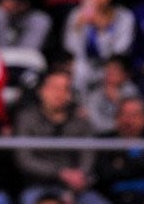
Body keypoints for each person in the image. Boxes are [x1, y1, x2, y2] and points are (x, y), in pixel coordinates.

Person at [14, 70, 108, 204]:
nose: (60, 93)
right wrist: (60, 173)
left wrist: (78, 177)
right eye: (54, 88)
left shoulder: (80, 120)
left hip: (77, 185)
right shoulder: (27, 118)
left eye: (65, 88)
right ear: (41, 91)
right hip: (38, 185)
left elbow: (88, 155)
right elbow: (24, 159)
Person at [62, 0, 135, 97]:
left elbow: (119, 51)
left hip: (112, 71)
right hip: (83, 71)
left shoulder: (124, 17)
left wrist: (101, 29)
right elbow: (71, 48)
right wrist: (78, 28)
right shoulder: (77, 15)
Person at [94, 96, 144, 204]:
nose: (129, 120)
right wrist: (143, 165)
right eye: (124, 114)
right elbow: (105, 173)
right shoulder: (104, 141)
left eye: (135, 115)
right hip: (112, 198)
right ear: (116, 118)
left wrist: (123, 163)